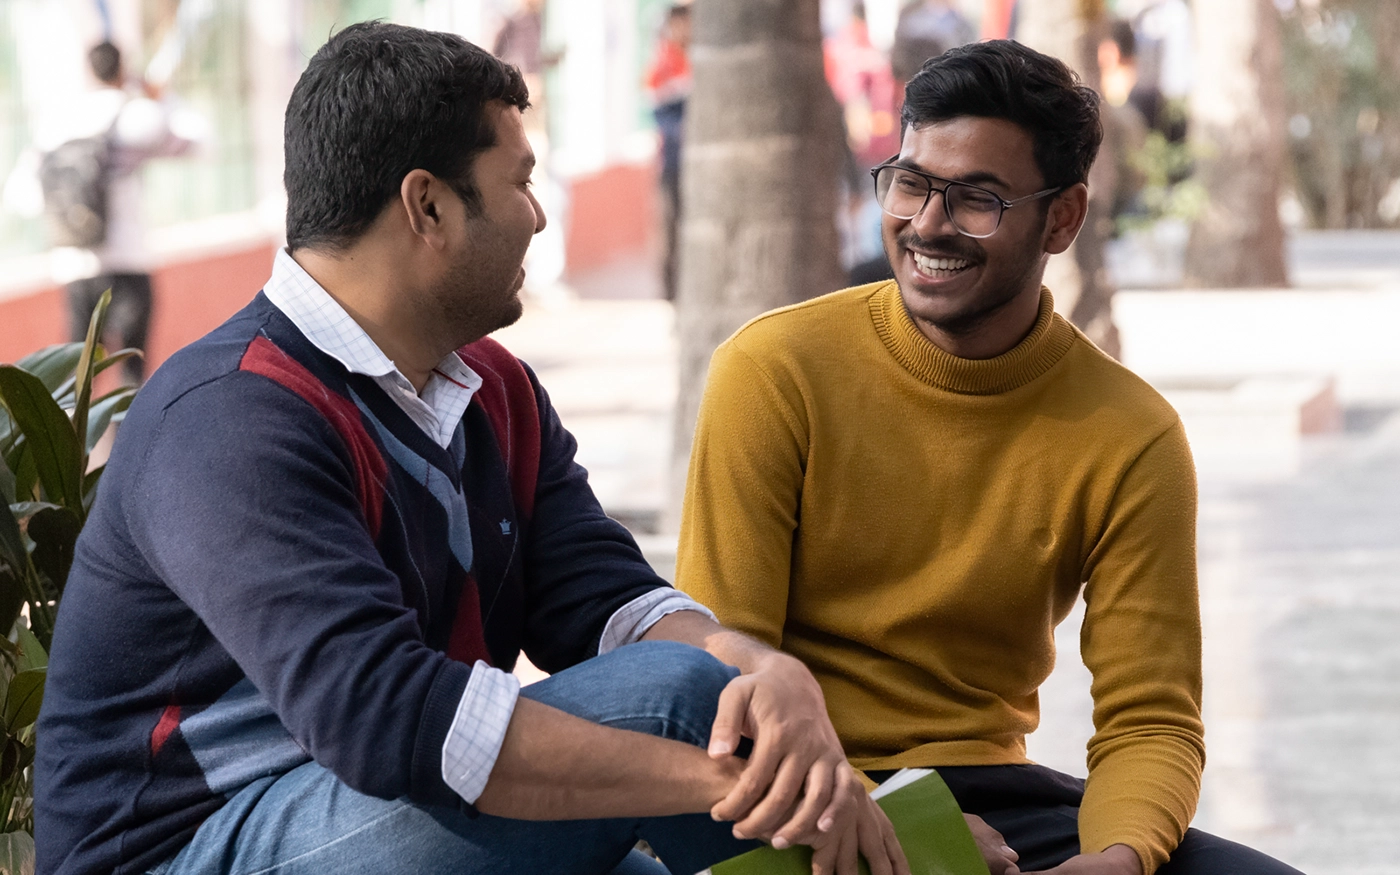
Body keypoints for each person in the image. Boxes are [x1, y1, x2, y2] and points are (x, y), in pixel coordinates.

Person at [34, 23, 914, 875]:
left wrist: (758, 662)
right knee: (678, 703)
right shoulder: (228, 415)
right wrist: (761, 787)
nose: (537, 215)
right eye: (520, 181)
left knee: (697, 695)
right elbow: (385, 717)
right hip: (189, 844)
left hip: (369, 808)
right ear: (429, 206)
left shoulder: (492, 390)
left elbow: (601, 598)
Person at [676, 41, 1305, 875]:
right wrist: (903, 828)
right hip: (791, 791)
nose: (928, 223)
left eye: (977, 198)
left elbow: (1149, 718)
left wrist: (1114, 860)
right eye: (910, 182)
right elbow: (719, 676)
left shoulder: (1131, 434)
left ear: (1064, 217)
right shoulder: (774, 370)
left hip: (999, 793)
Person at [32, 41, 194, 384]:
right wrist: (159, 96)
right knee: (132, 375)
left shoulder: (57, 122)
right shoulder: (134, 115)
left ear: (88, 71)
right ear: (122, 70)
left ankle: (77, 440)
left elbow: (26, 194)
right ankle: (127, 440)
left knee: (78, 382)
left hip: (74, 265)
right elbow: (198, 141)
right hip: (127, 260)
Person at [645, 2, 691, 301]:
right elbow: (657, 107)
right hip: (673, 161)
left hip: (694, 163)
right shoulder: (663, 62)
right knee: (672, 228)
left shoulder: (696, 59)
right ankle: (672, 294)